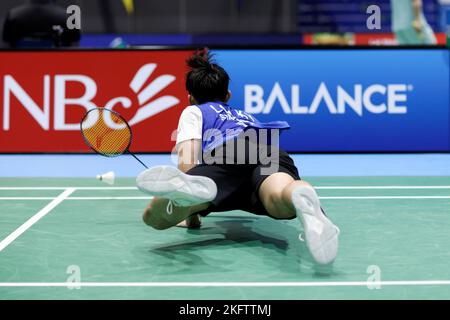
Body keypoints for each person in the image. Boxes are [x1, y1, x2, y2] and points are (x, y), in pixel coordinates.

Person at [136, 50, 340, 265]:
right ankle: (299, 194)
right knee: (278, 199)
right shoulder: (245, 116)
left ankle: (183, 197)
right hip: (268, 149)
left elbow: (188, 158)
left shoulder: (194, 111)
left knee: (153, 218)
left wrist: (189, 210)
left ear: (190, 97)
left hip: (229, 154)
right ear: (228, 96)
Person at [3, 0, 80, 47]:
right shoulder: (68, 17)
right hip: (58, 65)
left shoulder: (13, 15)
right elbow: (75, 46)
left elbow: (6, 46)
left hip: (20, 66)